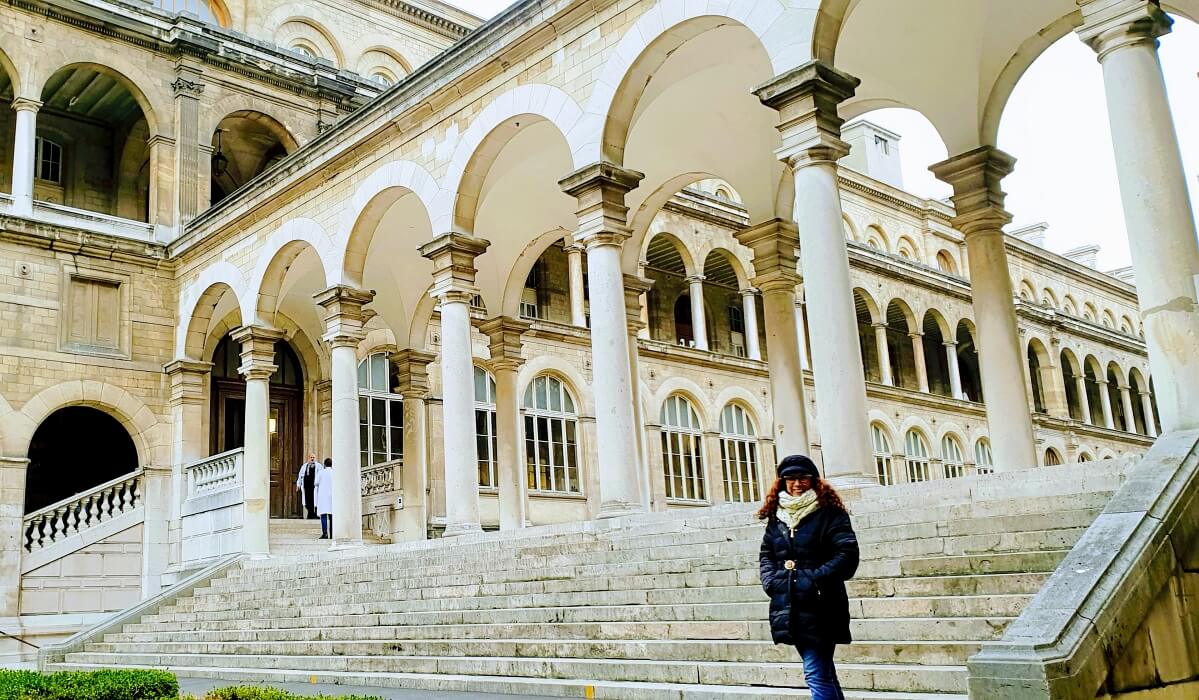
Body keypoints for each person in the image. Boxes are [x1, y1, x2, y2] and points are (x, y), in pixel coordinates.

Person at [758, 454, 859, 700]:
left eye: (803, 477)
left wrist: (813, 578)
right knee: (823, 672)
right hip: (790, 603)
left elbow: (847, 552)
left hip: (822, 603)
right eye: (790, 478)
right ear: (782, 482)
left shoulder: (830, 512)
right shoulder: (777, 516)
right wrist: (772, 581)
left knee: (815, 672)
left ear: (813, 480)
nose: (797, 483)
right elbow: (766, 554)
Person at [314, 457, 334, 540]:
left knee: (323, 515)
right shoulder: (334, 472)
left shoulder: (321, 472)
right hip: (332, 495)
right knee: (332, 515)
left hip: (323, 495)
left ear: (324, 464)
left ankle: (325, 533)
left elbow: (316, 483)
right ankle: (332, 534)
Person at [296, 452, 320, 519]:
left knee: (314, 501)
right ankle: (310, 514)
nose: (312, 459)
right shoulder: (304, 466)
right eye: (311, 457)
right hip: (306, 487)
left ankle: (313, 515)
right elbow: (300, 476)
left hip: (314, 487)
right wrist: (298, 485)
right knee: (307, 502)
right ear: (308, 458)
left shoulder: (318, 466)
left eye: (313, 457)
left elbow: (320, 476)